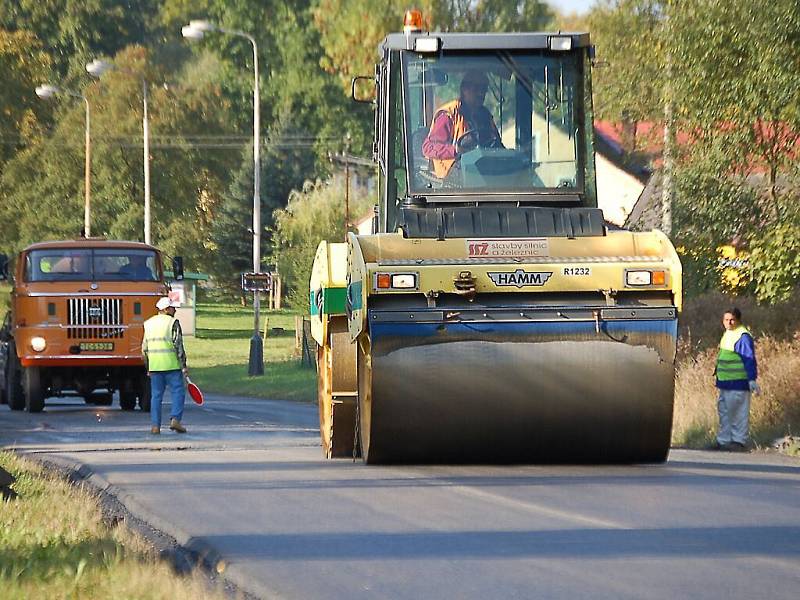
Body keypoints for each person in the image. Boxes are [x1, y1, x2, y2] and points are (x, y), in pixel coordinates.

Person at [422, 70, 502, 179]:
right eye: (476, 89)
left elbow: (498, 145)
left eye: (484, 89)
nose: (481, 94)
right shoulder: (449, 115)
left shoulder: (485, 116)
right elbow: (428, 148)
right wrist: (456, 150)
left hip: (483, 175)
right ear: (464, 89)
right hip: (451, 182)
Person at [713, 307, 759, 451]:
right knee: (725, 413)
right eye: (726, 320)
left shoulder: (742, 336)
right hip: (726, 383)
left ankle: (738, 442)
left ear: (738, 320)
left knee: (738, 414)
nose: (729, 322)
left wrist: (752, 379)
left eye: (732, 319)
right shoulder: (728, 334)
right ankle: (724, 441)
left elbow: (749, 359)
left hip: (739, 382)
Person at [142, 296, 189, 435]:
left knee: (156, 396)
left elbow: (144, 348)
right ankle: (175, 419)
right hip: (172, 365)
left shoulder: (148, 324)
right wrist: (184, 366)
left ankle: (155, 426)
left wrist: (148, 367)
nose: (175, 310)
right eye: (173, 307)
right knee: (178, 393)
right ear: (166, 309)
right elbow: (178, 345)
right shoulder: (173, 323)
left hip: (155, 367)